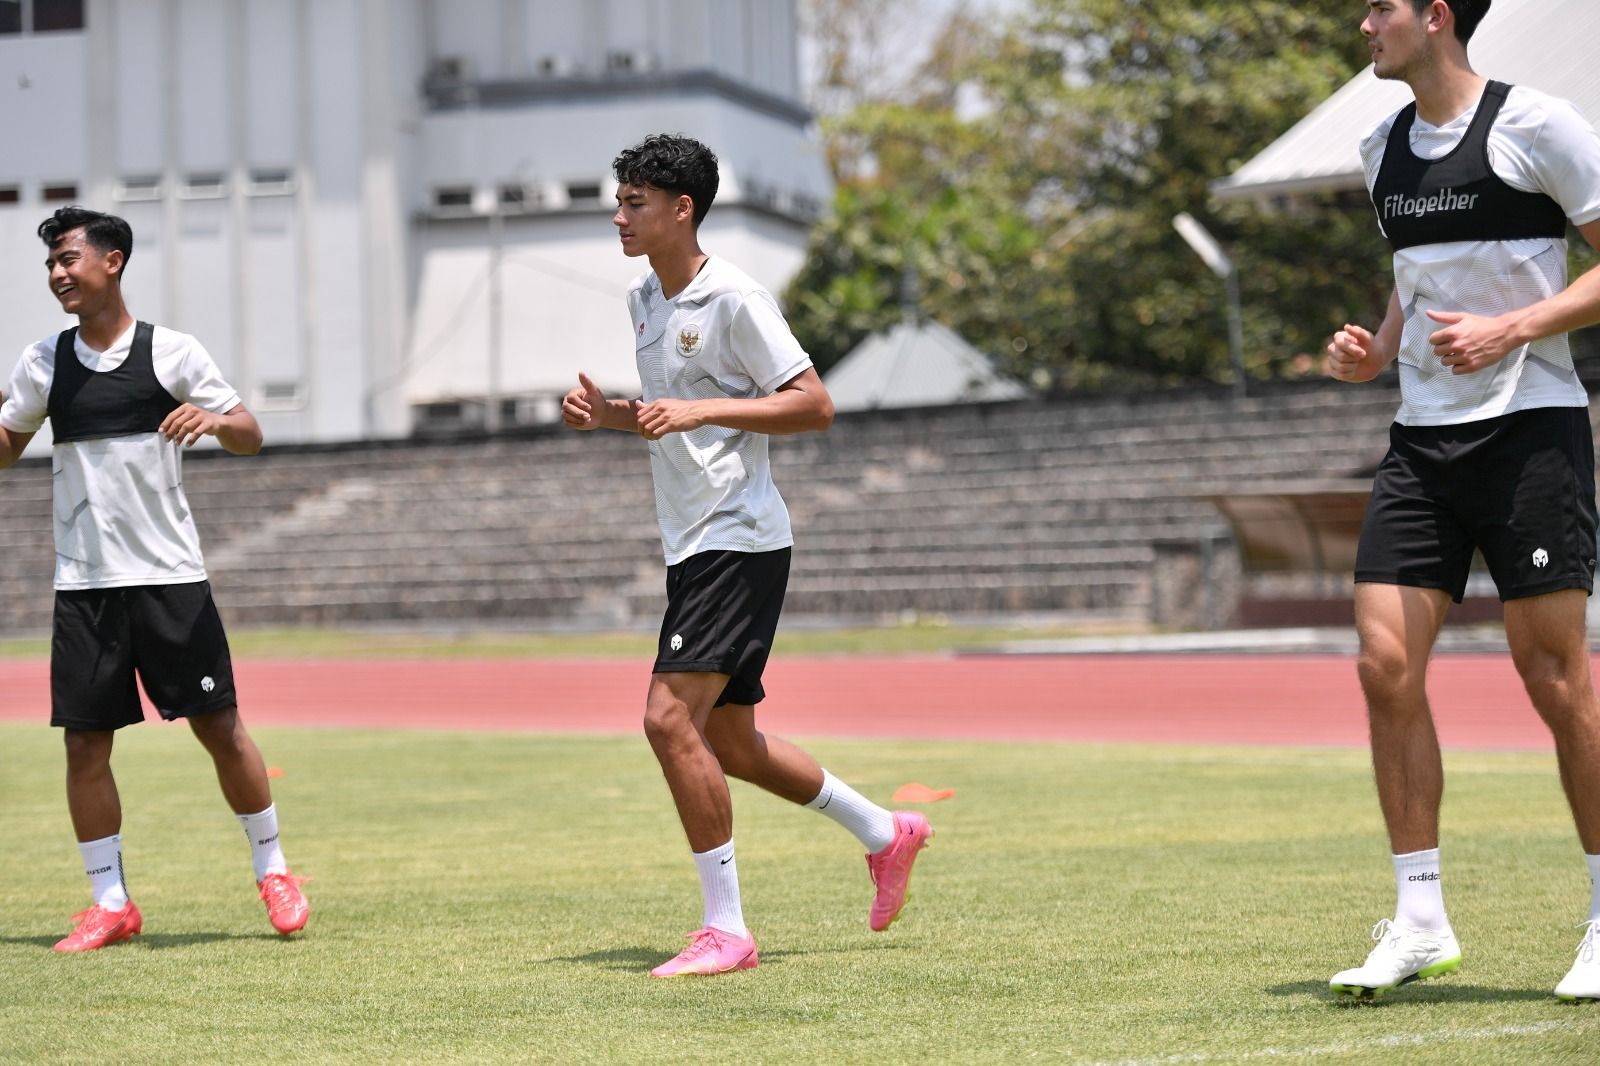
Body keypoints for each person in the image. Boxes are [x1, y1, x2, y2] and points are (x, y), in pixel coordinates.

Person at [562, 134, 932, 977]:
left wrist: (704, 415)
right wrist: (610, 416)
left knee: (665, 720)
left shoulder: (736, 298)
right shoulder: (643, 300)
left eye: (635, 203)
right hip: (693, 544)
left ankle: (726, 929)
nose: (620, 217)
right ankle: (887, 830)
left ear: (681, 208)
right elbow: (668, 411)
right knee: (731, 743)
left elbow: (815, 404)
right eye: (619, 201)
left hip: (738, 536)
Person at [1325, 0, 1600, 999]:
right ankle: (1419, 918)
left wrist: (1513, 326)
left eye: (1380, 8)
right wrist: (1375, 351)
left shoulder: (1539, 126)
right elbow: (1413, 282)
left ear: (1435, 17)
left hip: (1532, 436)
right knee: (1381, 662)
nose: (1364, 25)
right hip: (1419, 446)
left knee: (1554, 677)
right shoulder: (1378, 145)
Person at [0, 206, 309, 952]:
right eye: (49, 265)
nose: (57, 274)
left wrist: (210, 418)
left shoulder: (171, 352)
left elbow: (250, 434)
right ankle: (111, 902)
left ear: (113, 262)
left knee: (220, 728)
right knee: (84, 746)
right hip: (85, 586)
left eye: (68, 259)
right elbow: (8, 447)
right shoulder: (44, 363)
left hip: (170, 578)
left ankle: (274, 869)